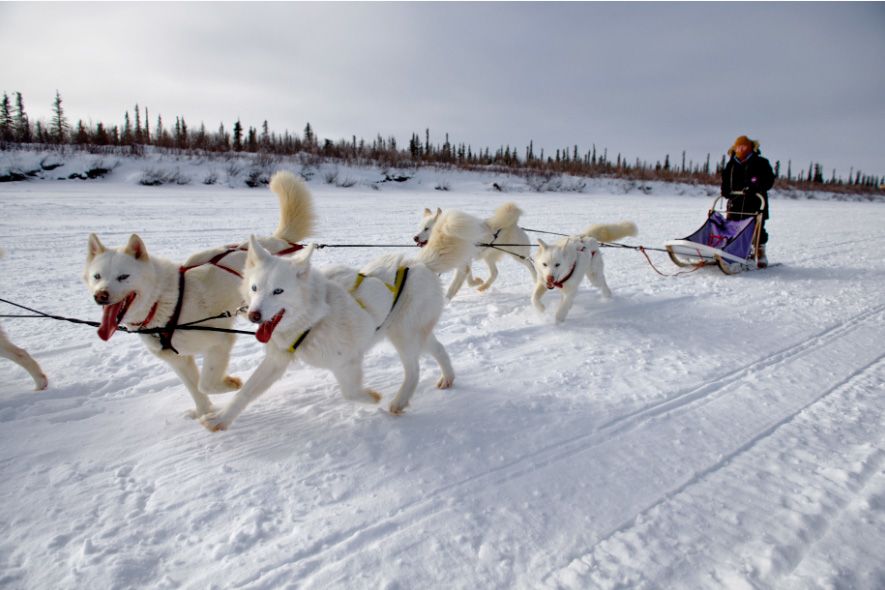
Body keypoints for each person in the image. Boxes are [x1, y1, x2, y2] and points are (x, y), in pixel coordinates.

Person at [721, 135, 775, 267]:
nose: (741, 149)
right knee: (732, 227)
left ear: (751, 147)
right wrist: (725, 190)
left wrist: (755, 186)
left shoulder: (761, 162)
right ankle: (734, 251)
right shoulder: (731, 164)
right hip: (736, 202)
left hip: (755, 202)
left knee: (757, 229)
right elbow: (726, 180)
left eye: (744, 146)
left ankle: (759, 252)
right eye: (738, 146)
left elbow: (768, 180)